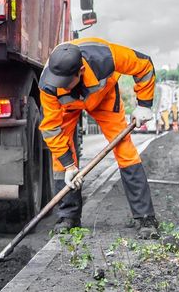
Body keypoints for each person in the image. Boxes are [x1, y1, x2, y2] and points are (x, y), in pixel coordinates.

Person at [38, 38, 160, 239]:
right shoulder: (49, 84)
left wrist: (144, 104)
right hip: (67, 108)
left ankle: (145, 217)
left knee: (125, 151)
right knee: (61, 159)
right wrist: (69, 166)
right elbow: (51, 128)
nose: (62, 86)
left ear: (81, 72)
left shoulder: (105, 57)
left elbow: (144, 65)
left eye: (66, 82)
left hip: (104, 99)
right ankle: (68, 217)